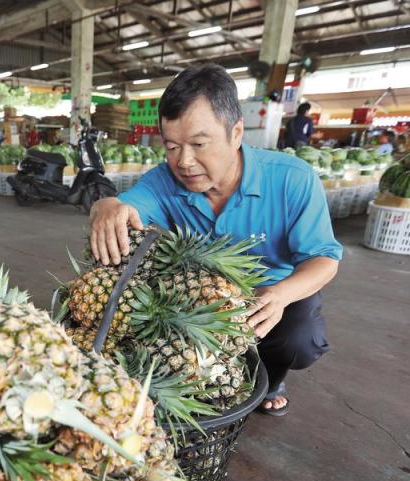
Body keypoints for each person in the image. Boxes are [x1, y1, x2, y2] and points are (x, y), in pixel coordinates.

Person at [89, 64, 342, 417]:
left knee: (299, 338)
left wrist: (280, 295)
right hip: (194, 298)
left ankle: (272, 374)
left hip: (269, 293)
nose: (184, 162)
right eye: (172, 146)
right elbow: (127, 208)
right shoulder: (163, 181)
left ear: (236, 132)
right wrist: (107, 204)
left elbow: (324, 258)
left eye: (199, 144)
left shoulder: (292, 179)